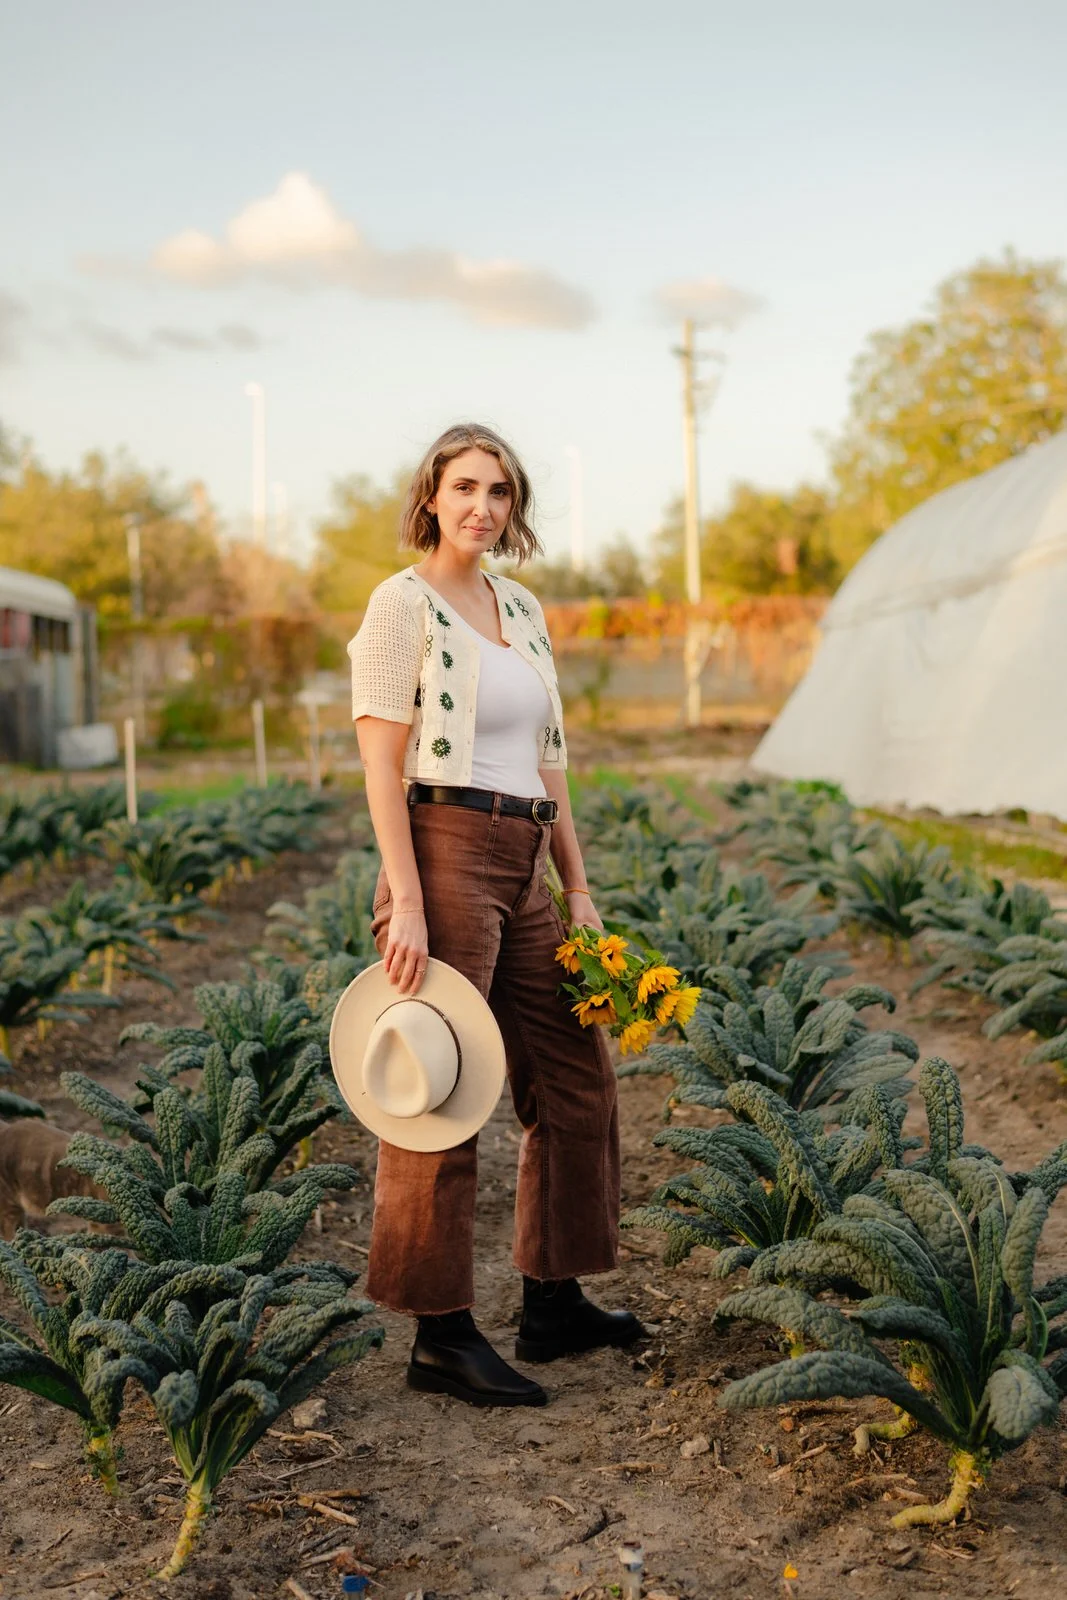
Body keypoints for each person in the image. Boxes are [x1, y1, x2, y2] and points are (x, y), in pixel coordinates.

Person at [348, 421, 642, 1407]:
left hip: (524, 859)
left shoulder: (520, 606)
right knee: (442, 1087)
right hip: (444, 848)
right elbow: (379, 765)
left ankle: (551, 1300)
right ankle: (440, 1333)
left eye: (500, 490)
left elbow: (548, 755)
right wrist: (407, 897)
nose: (483, 505)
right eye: (465, 486)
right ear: (429, 495)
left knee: (574, 1075)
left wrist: (579, 881)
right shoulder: (401, 607)